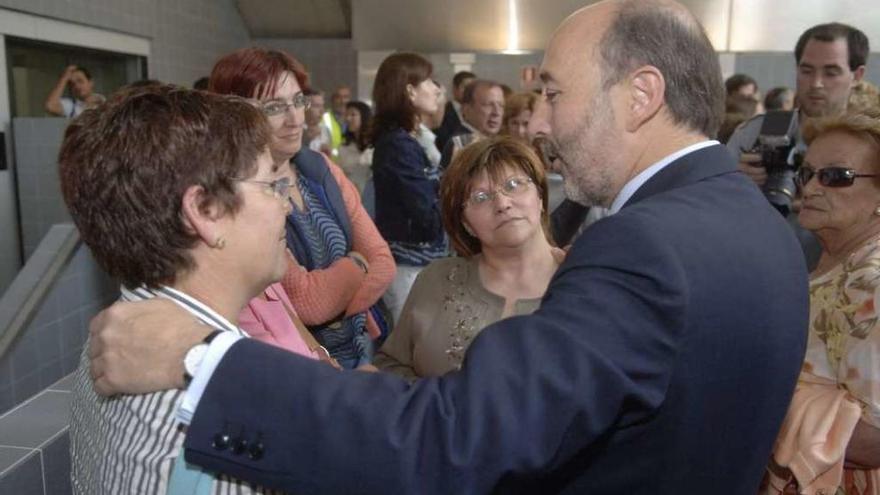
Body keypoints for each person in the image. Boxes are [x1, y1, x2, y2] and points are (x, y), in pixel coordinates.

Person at [87, 1, 809, 493]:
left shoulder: (643, 246)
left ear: (640, 93)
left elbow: (461, 437)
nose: (543, 124)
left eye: (557, 94)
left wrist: (207, 363)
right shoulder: (759, 224)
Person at [62, 84, 290, 493]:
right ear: (205, 211)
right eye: (272, 185)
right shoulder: (225, 427)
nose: (285, 205)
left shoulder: (109, 342)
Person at [209, 47, 394, 370]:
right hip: (297, 363)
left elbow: (382, 261)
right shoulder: (237, 194)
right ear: (235, 113)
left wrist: (334, 306)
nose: (296, 118)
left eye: (297, 101)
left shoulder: (317, 168)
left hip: (358, 344)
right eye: (274, 107)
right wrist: (356, 265)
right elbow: (307, 303)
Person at [375, 136, 561, 378]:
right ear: (466, 224)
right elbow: (390, 365)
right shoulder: (437, 280)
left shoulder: (584, 281)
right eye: (481, 197)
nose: (503, 203)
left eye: (514, 184)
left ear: (540, 196)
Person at [763, 108, 880, 494]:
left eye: (836, 177)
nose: (811, 188)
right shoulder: (837, 259)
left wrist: (751, 396)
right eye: (806, 173)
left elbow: (876, 437)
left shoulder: (870, 282)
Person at [726, 22, 869, 271]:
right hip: (757, 268)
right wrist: (734, 182)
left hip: (841, 279)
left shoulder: (869, 143)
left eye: (831, 72)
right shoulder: (755, 133)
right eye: (806, 70)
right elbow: (713, 212)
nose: (816, 83)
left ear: (857, 76)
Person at [369, 52, 446, 324]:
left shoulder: (409, 142)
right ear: (410, 92)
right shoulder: (398, 146)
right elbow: (428, 220)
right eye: (429, 81)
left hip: (417, 267)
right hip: (408, 268)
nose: (437, 88)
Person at [439, 79, 505, 169]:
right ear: (466, 109)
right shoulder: (463, 144)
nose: (496, 112)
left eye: (501, 105)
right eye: (488, 105)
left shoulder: (487, 140)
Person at [434, 70, 476, 152]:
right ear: (454, 89)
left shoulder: (477, 113)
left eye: (473, 88)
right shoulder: (443, 112)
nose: (469, 92)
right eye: (466, 87)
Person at [338, 100, 374, 193]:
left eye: (353, 115)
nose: (348, 118)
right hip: (351, 195)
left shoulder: (374, 145)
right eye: (346, 115)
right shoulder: (344, 147)